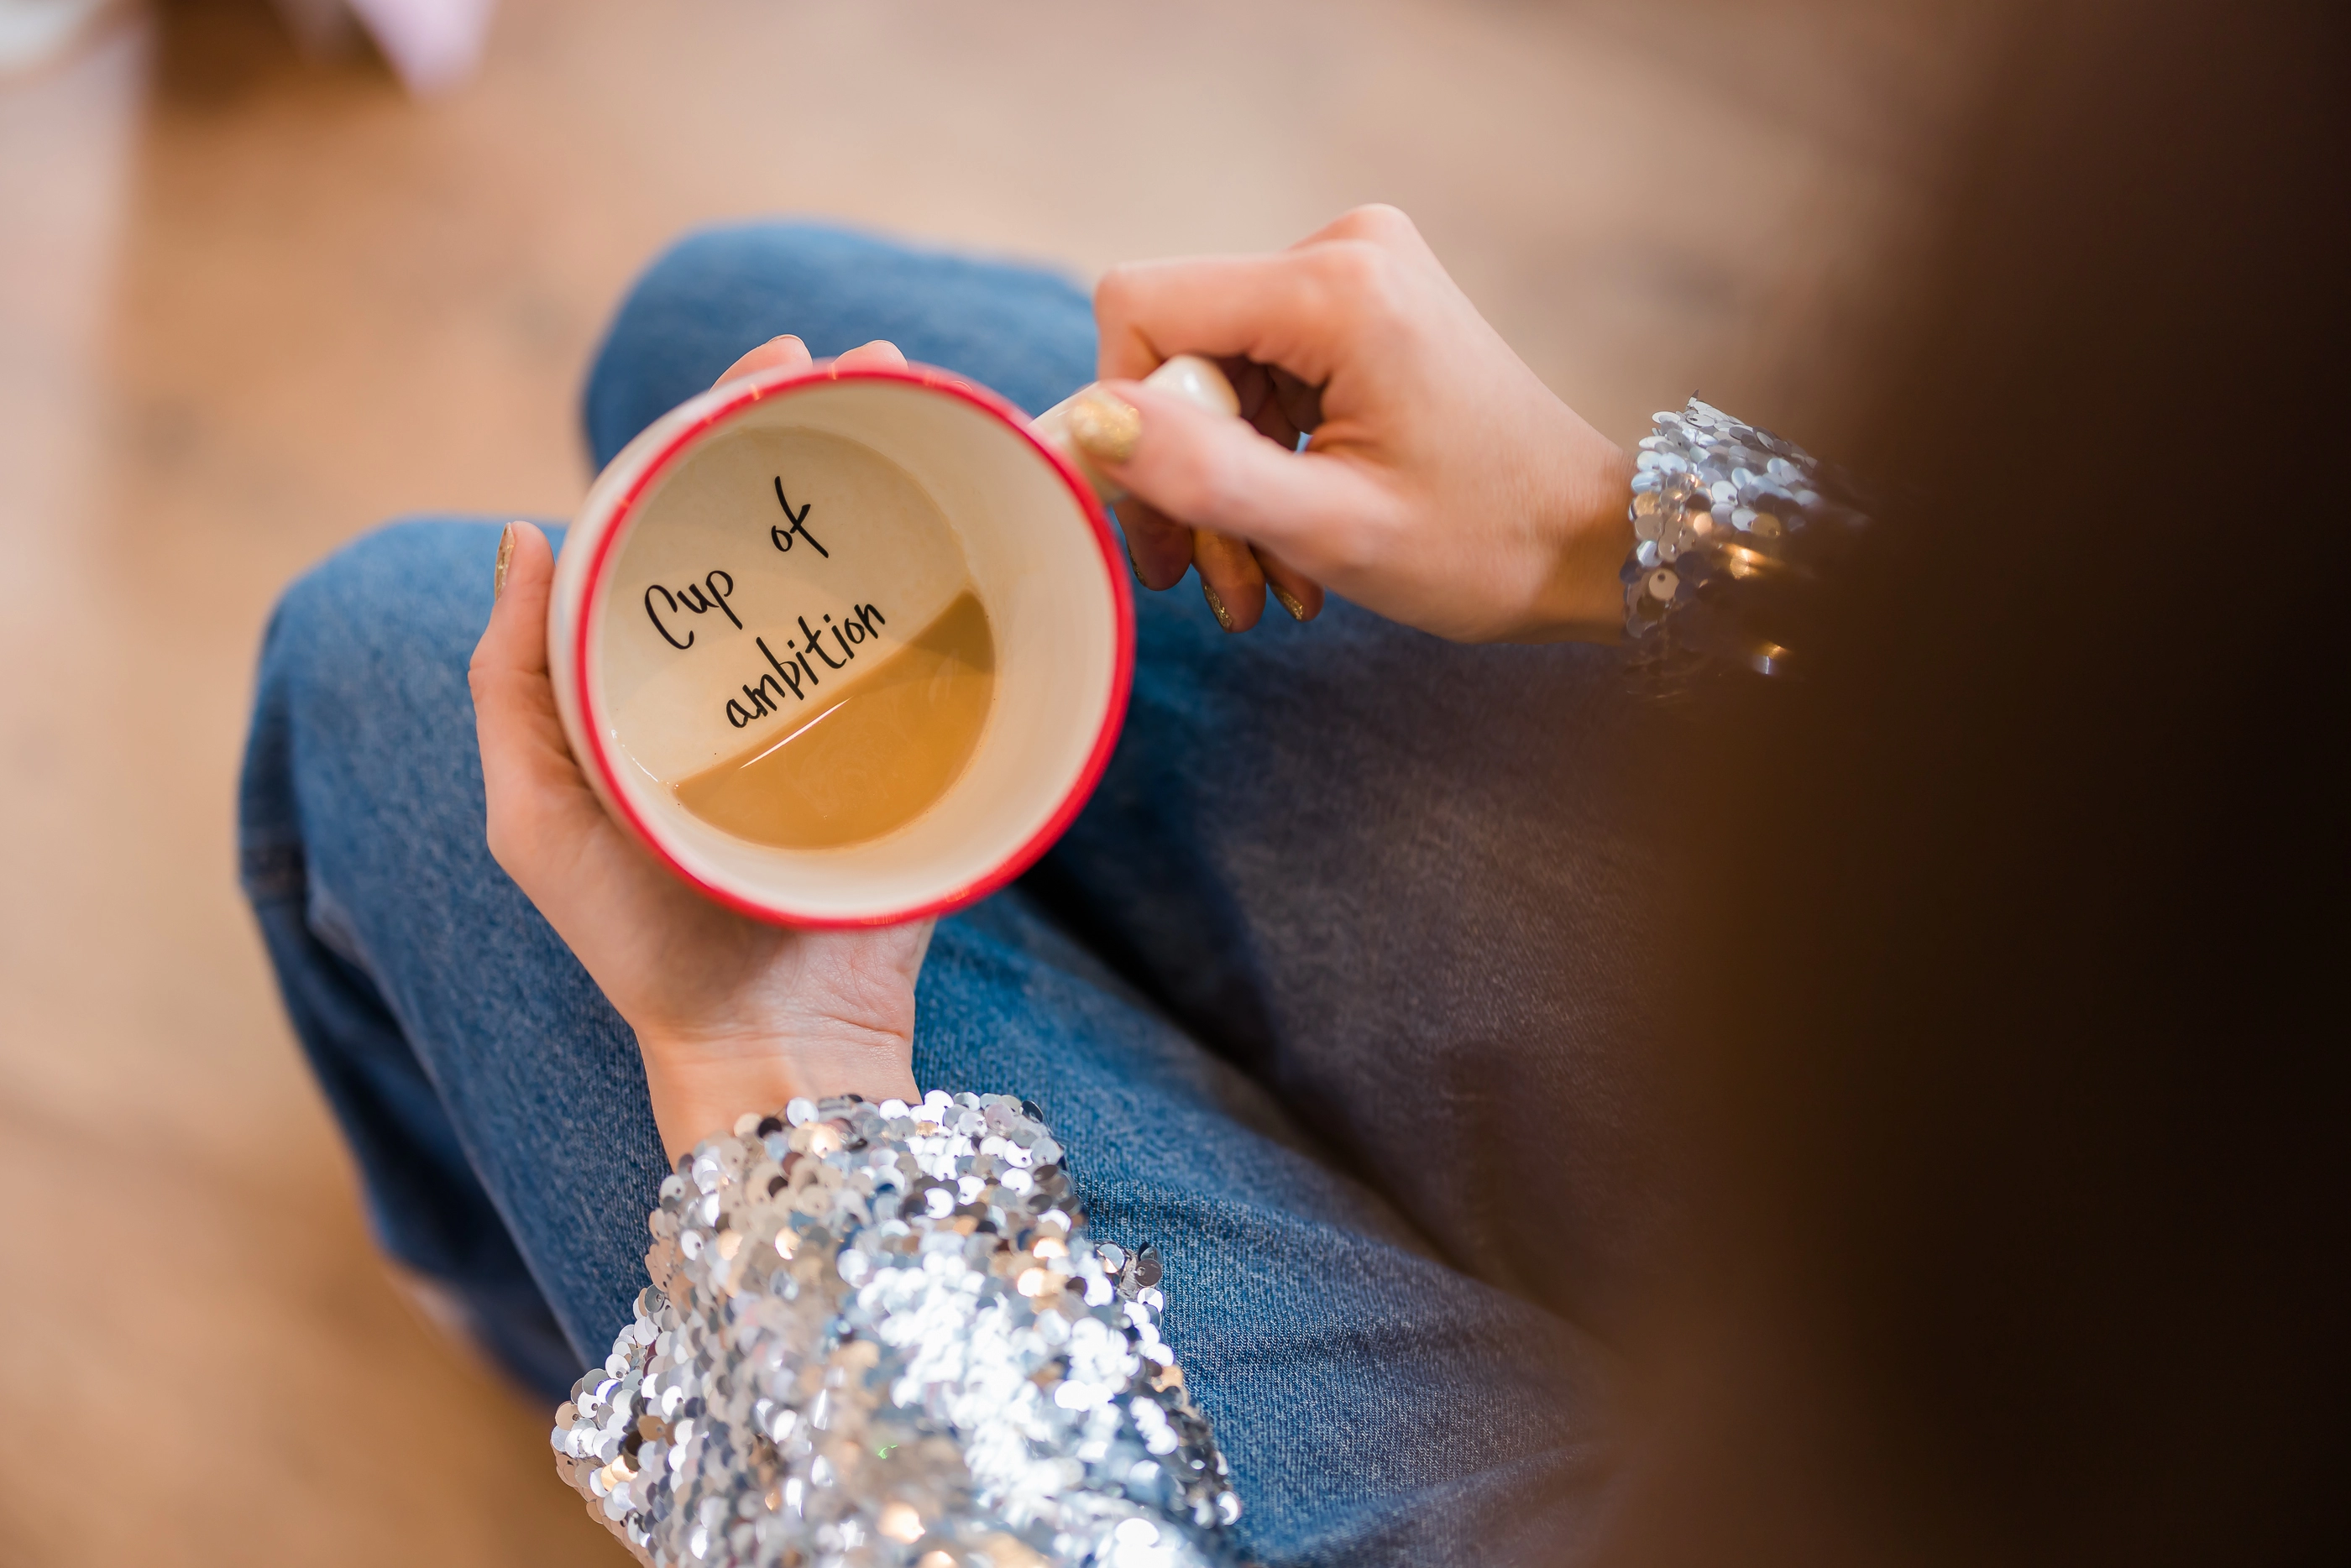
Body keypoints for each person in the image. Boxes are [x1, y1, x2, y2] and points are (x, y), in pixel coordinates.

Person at [239, 2, 2343, 1564]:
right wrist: (1607, 539)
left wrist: (763, 1082)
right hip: (2117, 1139)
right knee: (717, 315)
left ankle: (550, 1311)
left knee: (406, 664)